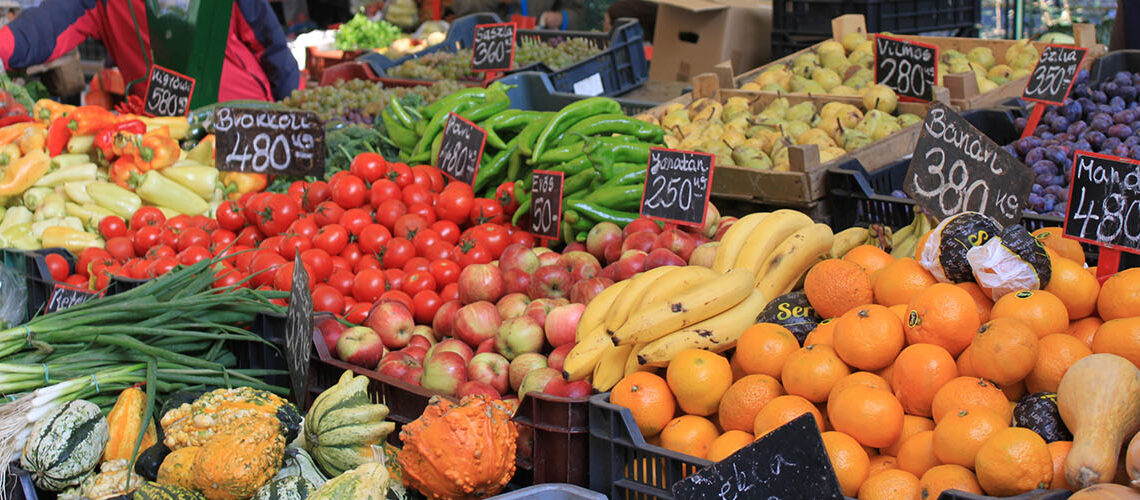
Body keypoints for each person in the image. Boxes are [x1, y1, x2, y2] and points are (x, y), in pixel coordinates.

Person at [0, 0, 300, 102]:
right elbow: (39, 31)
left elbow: (269, 43)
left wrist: (295, 106)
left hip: (248, 118)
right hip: (169, 141)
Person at [451, 0, 587, 30]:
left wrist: (561, 18)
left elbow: (577, 11)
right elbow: (461, 6)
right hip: (489, 48)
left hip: (539, 48)